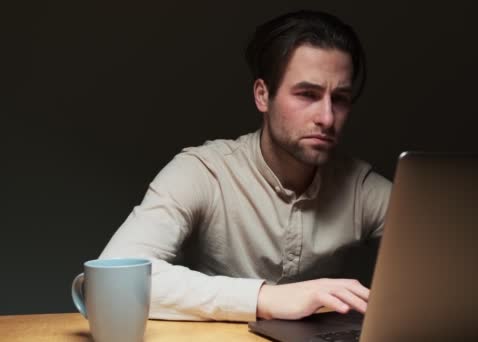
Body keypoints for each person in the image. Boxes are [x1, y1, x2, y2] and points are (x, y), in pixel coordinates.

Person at [100, 10, 392, 322]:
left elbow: (447, 264)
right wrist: (263, 298)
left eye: (341, 98)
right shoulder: (203, 172)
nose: (327, 118)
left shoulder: (361, 188)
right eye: (307, 94)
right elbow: (110, 281)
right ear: (263, 95)